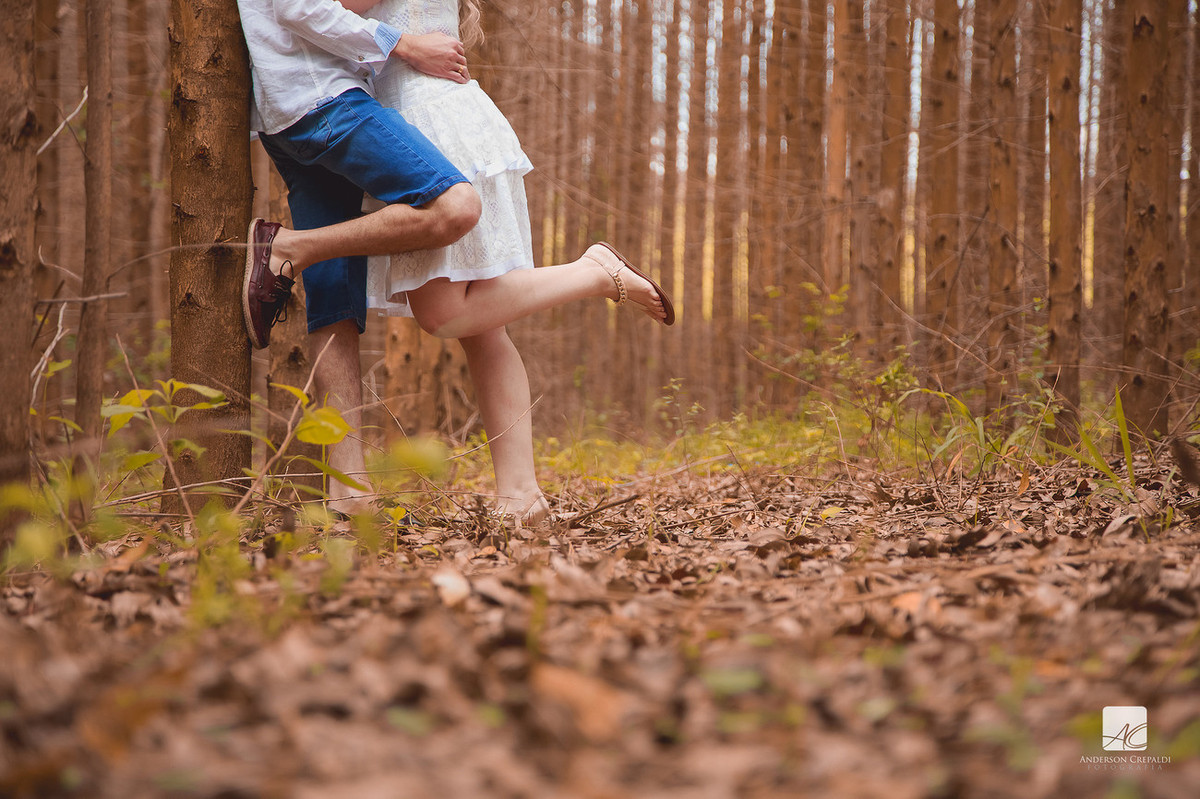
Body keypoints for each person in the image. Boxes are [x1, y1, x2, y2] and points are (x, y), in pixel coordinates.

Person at [349, 0, 675, 527]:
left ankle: (593, 272)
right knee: (485, 329)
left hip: (433, 132)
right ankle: (520, 495)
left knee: (445, 316)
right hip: (445, 122)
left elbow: (327, 10)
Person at [236, 0, 484, 517]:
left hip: (291, 111)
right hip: (325, 101)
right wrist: (405, 43)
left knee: (334, 300)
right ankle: (290, 248)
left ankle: (349, 493)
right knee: (455, 205)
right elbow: (301, 6)